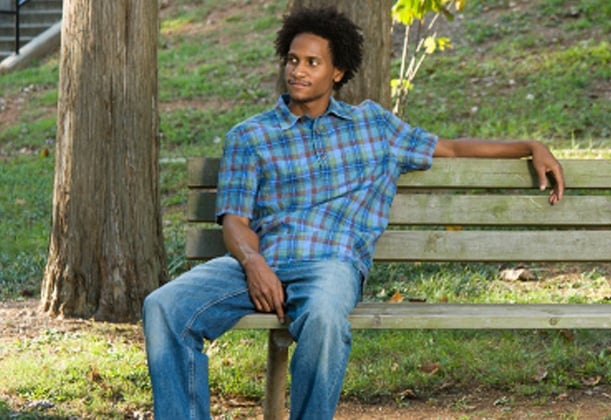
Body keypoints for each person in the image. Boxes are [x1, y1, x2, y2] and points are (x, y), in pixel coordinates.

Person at [142, 6, 564, 419]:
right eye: (292, 60)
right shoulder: (251, 136)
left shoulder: (373, 127)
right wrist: (254, 263)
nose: (298, 71)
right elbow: (235, 220)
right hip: (262, 263)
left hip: (331, 264)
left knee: (324, 317)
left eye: (312, 62)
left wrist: (529, 146)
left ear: (337, 72)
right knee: (165, 306)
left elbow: (451, 148)